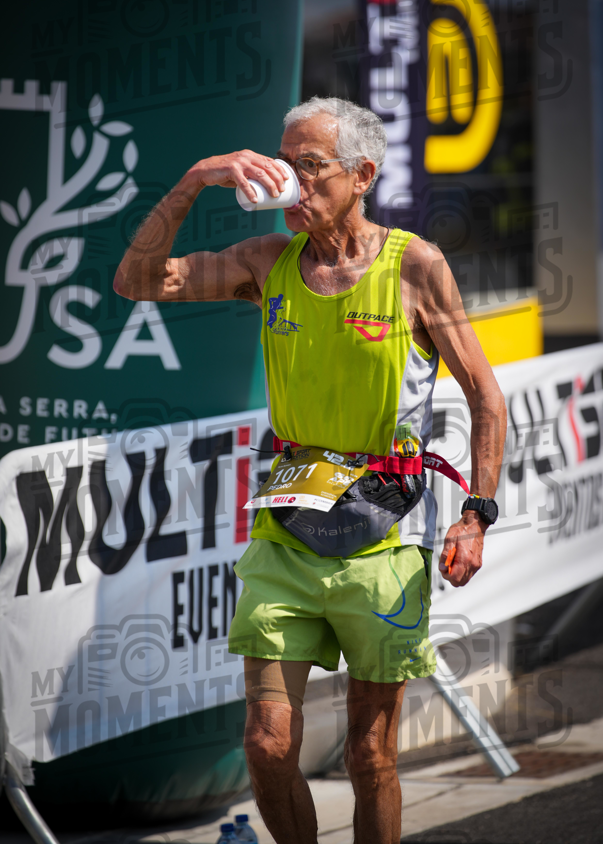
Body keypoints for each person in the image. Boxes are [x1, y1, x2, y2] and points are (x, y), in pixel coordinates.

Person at [113, 97, 507, 844]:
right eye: (282, 162)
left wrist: (475, 514)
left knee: (369, 754)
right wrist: (197, 179)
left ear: (360, 175)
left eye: (310, 166)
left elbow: (486, 396)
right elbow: (136, 282)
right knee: (265, 743)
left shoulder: (414, 265)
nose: (289, 180)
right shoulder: (267, 261)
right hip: (286, 529)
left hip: (386, 534)